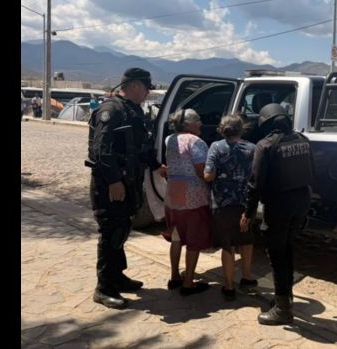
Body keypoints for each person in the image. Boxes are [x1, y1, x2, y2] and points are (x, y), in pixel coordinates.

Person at [86, 67, 163, 309]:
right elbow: (101, 151)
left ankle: (116, 276)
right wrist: (114, 181)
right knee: (110, 233)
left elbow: (141, 147)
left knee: (122, 229)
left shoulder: (132, 111)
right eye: (146, 88)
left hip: (128, 183)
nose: (147, 93)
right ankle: (103, 287)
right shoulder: (112, 110)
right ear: (134, 86)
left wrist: (157, 165)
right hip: (110, 186)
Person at [241, 104, 314, 325]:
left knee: (276, 255)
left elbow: (255, 183)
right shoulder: (303, 139)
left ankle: (282, 309)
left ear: (266, 123)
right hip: (302, 201)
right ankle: (286, 297)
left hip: (279, 206)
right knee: (288, 248)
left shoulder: (265, 146)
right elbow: (312, 171)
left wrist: (248, 212)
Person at [204, 114, 257, 302]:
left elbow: (208, 175)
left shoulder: (216, 147)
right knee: (246, 240)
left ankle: (228, 286)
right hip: (245, 204)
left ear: (222, 129)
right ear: (242, 129)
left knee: (228, 245)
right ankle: (247, 277)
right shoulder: (252, 148)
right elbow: (256, 175)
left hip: (222, 203)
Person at [162, 108, 211, 296]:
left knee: (176, 237)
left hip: (173, 194)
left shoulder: (170, 140)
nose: (200, 124)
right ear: (188, 124)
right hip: (193, 197)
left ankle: (175, 276)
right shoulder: (196, 141)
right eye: (197, 120)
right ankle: (189, 282)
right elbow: (201, 170)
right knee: (194, 240)